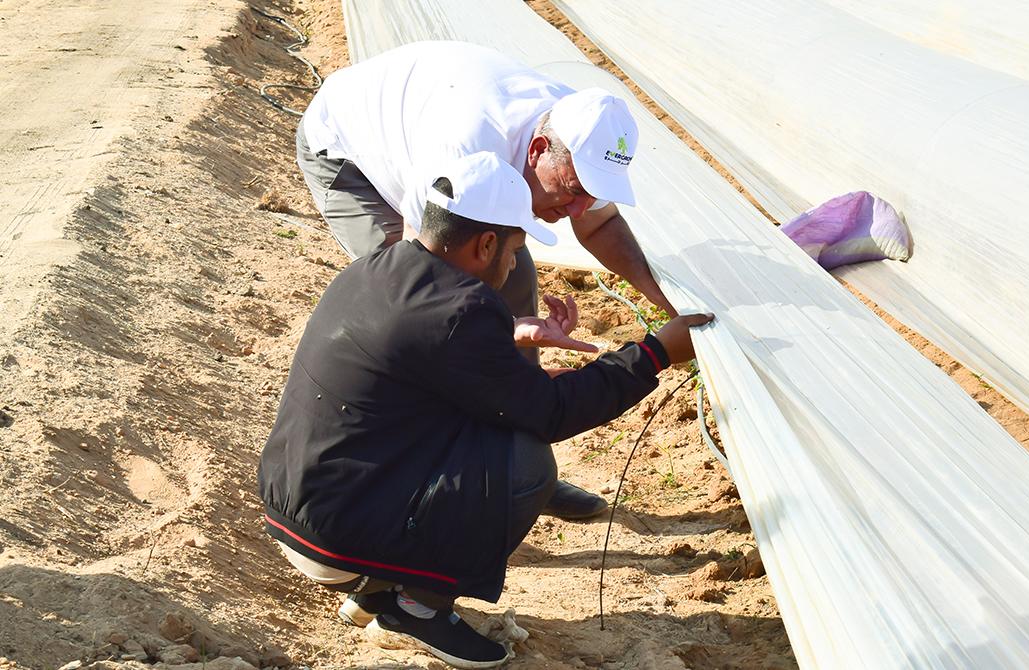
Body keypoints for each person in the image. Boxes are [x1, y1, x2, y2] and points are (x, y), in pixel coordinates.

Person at [258, 152, 713, 668]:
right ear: (487, 244)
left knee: (493, 427)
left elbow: (427, 368)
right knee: (524, 464)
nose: (515, 264)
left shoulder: (379, 270)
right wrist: (654, 353)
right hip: (337, 532)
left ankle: (379, 590)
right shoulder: (462, 310)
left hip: (298, 503)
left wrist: (509, 342)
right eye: (516, 249)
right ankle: (416, 607)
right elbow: (552, 414)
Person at [296, 41, 676, 519]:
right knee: (412, 312)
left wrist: (668, 305)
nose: (580, 209)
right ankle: (434, 478)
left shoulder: (580, 138)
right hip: (350, 152)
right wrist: (484, 336)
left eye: (592, 194)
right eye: (575, 192)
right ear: (538, 150)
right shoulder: (463, 144)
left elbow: (598, 224)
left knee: (512, 276)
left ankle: (517, 457)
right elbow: (427, 275)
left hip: (425, 117)